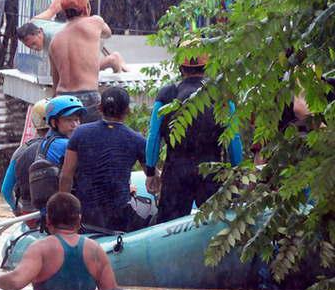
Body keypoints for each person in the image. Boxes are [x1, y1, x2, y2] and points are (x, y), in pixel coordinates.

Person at [144, 42, 243, 224]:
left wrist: (151, 171)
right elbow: (234, 137)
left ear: (181, 67)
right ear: (207, 66)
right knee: (215, 227)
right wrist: (239, 171)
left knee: (168, 230)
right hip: (212, 171)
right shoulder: (221, 94)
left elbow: (154, 136)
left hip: (176, 172)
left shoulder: (167, 94)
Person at [0, 192, 117, 290]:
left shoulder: (40, 248)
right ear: (79, 220)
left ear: (48, 220)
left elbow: (16, 281)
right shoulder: (96, 250)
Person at [59, 87, 147, 232]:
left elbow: (66, 176)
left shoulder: (80, 133)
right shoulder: (137, 140)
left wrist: (65, 214)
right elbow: (152, 179)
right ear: (127, 111)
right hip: (119, 219)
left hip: (87, 217)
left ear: (100, 108)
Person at [48, 0, 113, 123]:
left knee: (67, 142)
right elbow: (108, 33)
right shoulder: (95, 22)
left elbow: (55, 82)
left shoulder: (55, 40)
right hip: (87, 96)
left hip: (62, 98)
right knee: (91, 141)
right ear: (86, 8)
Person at [1, 99, 50, 215]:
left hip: (28, 214)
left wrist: (16, 208)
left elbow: (6, 191)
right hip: (57, 214)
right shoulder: (67, 147)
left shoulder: (21, 151)